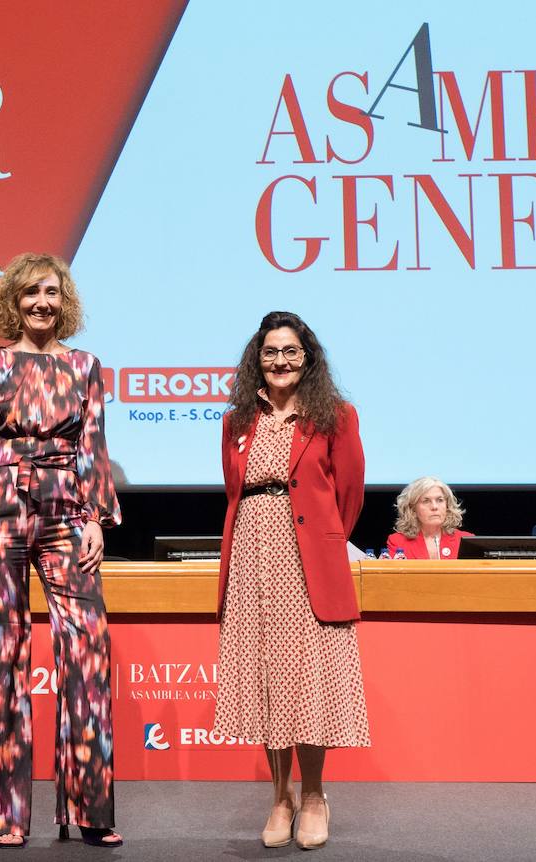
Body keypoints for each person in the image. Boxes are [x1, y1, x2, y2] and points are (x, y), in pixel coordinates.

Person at [0, 252, 122, 848]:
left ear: (64, 299)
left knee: (88, 652)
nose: (41, 303)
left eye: (51, 292)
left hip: (68, 508)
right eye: (30, 294)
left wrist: (99, 513)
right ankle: (0, 813)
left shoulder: (86, 365)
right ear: (13, 302)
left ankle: (91, 811)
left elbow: (95, 442)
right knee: (1, 654)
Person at [213, 310, 369, 851]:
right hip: (252, 561)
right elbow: (234, 492)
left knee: (307, 684)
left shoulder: (336, 416)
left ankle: (314, 796)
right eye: (271, 352)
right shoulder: (236, 421)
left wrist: (322, 544)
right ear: (257, 360)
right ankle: (279, 798)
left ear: (308, 358)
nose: (280, 362)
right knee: (267, 682)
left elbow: (348, 496)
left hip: (306, 565)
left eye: (291, 352)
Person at [385, 476, 473, 559]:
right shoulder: (398, 541)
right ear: (413, 508)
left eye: (440, 500)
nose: (434, 507)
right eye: (426, 501)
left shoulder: (466, 540)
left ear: (447, 506)